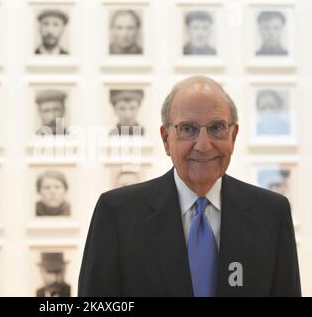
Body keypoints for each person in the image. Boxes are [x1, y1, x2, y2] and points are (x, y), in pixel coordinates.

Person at [79, 76, 301, 297]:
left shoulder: (272, 213)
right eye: (188, 129)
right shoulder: (117, 214)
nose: (204, 146)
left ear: (232, 136)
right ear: (166, 139)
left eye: (216, 128)